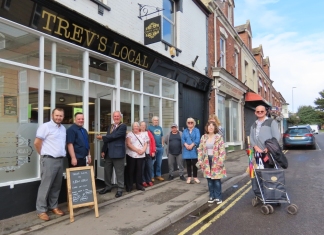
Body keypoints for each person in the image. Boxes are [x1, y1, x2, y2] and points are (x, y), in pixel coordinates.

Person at [34, 108, 66, 221]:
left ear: (63, 116)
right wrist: (43, 155)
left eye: (61, 116)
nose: (58, 118)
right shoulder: (45, 127)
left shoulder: (63, 128)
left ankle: (53, 206)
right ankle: (41, 210)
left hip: (60, 160)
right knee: (45, 185)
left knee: (56, 185)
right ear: (52, 115)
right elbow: (37, 143)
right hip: (48, 160)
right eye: (57, 115)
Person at [96, 111, 127, 198]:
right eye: (115, 116)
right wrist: (103, 150)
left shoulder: (123, 126)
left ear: (120, 117)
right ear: (113, 117)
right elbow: (108, 139)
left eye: (118, 116)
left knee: (119, 172)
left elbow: (115, 136)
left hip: (118, 153)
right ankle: (108, 187)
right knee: (107, 171)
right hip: (108, 153)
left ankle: (120, 188)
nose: (116, 118)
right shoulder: (111, 126)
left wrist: (102, 137)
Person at [197, 121, 226, 204]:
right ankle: (211, 195)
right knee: (209, 180)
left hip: (216, 160)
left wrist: (220, 161)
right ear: (207, 128)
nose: (211, 127)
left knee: (216, 180)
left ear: (215, 128)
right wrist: (200, 160)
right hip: (206, 161)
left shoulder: (218, 137)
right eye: (209, 126)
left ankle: (218, 197)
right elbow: (200, 149)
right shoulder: (203, 137)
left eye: (212, 126)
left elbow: (222, 150)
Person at [125, 122, 147, 192]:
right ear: (132, 127)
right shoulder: (129, 134)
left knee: (139, 171)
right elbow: (128, 144)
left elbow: (146, 143)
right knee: (130, 171)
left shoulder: (143, 134)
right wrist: (137, 150)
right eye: (135, 126)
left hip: (140, 155)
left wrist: (143, 150)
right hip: (131, 155)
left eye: (137, 126)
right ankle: (129, 186)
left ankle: (138, 185)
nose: (136, 127)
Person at [182, 117, 201, 184]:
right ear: (187, 123)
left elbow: (198, 139)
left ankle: (195, 177)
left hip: (194, 149)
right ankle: (189, 177)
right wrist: (186, 145)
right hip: (186, 149)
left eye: (191, 122)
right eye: (188, 122)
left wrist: (192, 145)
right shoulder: (185, 131)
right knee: (188, 164)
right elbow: (183, 139)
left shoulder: (196, 130)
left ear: (194, 123)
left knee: (195, 164)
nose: (190, 124)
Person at [148, 116, 164, 181]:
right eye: (155, 120)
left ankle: (158, 175)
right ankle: (151, 176)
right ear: (152, 121)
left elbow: (162, 136)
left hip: (160, 148)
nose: (156, 121)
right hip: (153, 148)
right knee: (152, 163)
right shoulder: (149, 127)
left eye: (157, 120)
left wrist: (162, 144)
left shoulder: (160, 128)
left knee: (159, 163)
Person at [140, 121, 155, 187]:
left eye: (144, 125)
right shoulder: (138, 133)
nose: (143, 126)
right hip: (141, 154)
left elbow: (153, 142)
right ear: (140, 126)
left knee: (149, 167)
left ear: (146, 126)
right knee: (142, 168)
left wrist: (153, 151)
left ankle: (149, 180)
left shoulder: (148, 133)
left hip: (149, 153)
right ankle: (143, 181)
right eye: (142, 125)